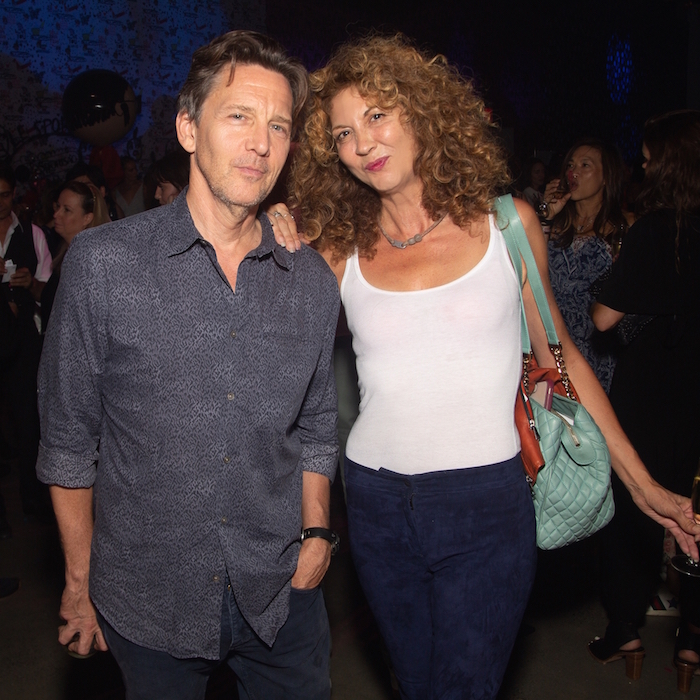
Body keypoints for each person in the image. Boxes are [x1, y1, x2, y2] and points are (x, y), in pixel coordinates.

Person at [269, 35, 700, 699]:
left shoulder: (507, 225)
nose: (363, 143)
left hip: (486, 502)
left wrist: (643, 486)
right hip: (376, 502)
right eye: (344, 132)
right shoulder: (338, 248)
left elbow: (562, 357)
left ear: (421, 113)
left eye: (377, 116)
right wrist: (267, 226)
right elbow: (277, 360)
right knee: (414, 683)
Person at [37, 30, 339, 700]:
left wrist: (317, 533)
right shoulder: (103, 266)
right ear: (188, 129)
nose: (260, 143)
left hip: (281, 595)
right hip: (147, 601)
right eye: (239, 116)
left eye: (278, 126)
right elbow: (67, 443)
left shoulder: (310, 280)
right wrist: (80, 583)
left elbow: (318, 423)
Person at [590, 110, 700, 688]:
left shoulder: (655, 229)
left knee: (637, 505)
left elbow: (604, 319)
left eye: (652, 158)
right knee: (695, 510)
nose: (643, 166)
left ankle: (625, 628)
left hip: (652, 385)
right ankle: (692, 642)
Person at [541, 138, 631, 392]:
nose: (573, 172)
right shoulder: (554, 224)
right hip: (553, 346)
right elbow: (531, 275)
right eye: (570, 165)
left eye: (585, 165)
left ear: (606, 177)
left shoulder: (625, 228)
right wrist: (546, 215)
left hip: (599, 348)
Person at [0, 163, 52, 522]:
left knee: (28, 419)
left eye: (4, 195)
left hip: (22, 339)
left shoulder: (33, 234)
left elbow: (46, 291)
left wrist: (29, 282)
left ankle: (31, 498)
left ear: (14, 194)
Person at [40, 180, 111, 334]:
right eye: (57, 206)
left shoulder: (89, 262)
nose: (56, 214)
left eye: (67, 210)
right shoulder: (66, 254)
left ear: (87, 218)